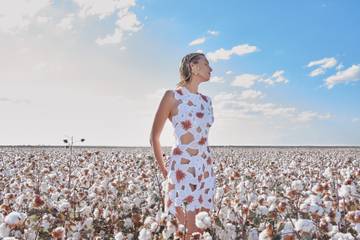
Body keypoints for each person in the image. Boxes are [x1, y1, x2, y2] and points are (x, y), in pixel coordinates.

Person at [150, 52, 215, 238]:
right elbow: (154, 137)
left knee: (200, 231)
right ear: (193, 67)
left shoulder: (207, 102)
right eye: (206, 64)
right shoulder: (172, 96)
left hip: (205, 170)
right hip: (182, 170)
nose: (211, 68)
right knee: (187, 231)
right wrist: (165, 171)